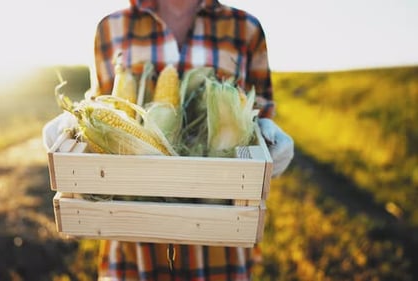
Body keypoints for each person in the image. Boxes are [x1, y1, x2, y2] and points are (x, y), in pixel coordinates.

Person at [43, 0, 294, 280]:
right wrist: (74, 125)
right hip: (132, 248)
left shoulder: (246, 28)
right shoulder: (110, 28)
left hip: (220, 248)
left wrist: (270, 137)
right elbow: (104, 104)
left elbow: (259, 110)